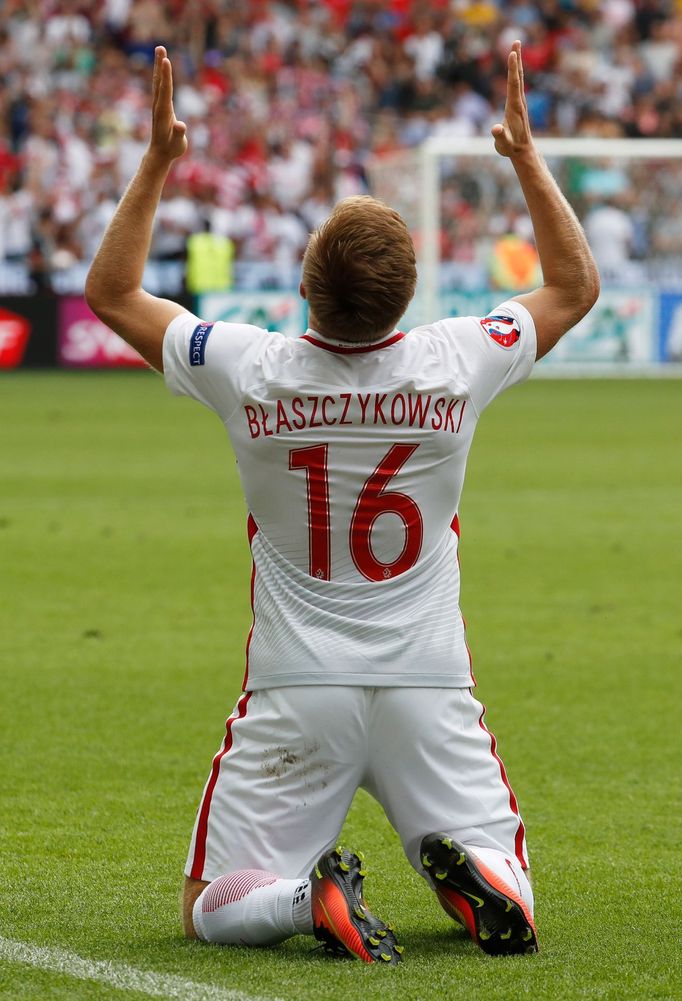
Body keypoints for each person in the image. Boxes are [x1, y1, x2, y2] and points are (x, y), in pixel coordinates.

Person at [85, 42, 599, 964]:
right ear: (409, 294)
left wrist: (159, 159)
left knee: (210, 898)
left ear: (302, 286)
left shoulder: (251, 367)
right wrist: (524, 155)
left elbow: (113, 292)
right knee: (503, 866)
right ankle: (484, 874)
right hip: (431, 685)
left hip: (297, 685)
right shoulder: (456, 357)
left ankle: (298, 896)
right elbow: (573, 286)